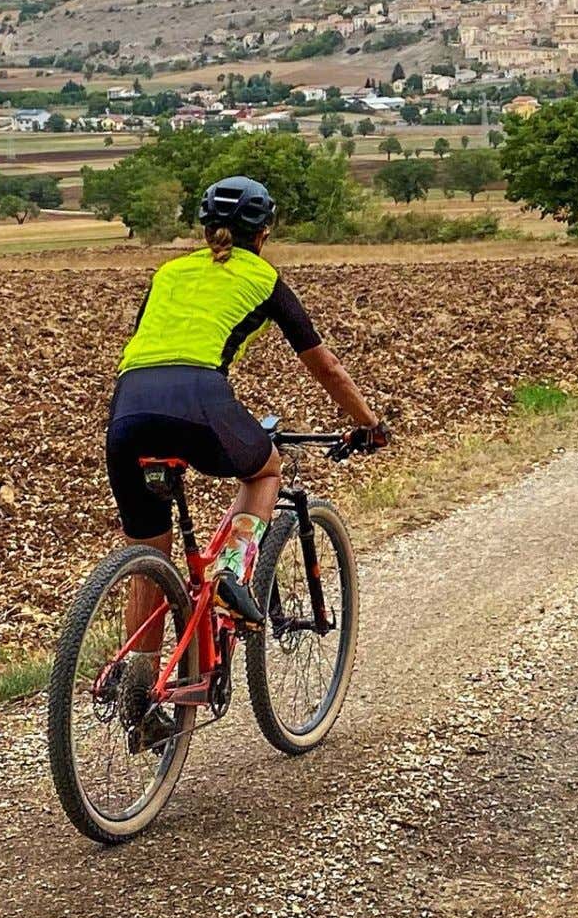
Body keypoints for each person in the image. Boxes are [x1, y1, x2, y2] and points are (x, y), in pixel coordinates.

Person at [106, 175, 388, 651]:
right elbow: (326, 366)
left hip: (128, 408)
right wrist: (368, 423)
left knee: (148, 565)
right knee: (265, 470)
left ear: (205, 230)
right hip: (198, 397)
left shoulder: (169, 274)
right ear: (263, 234)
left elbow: (152, 343)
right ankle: (231, 573)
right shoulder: (262, 278)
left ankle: (136, 683)